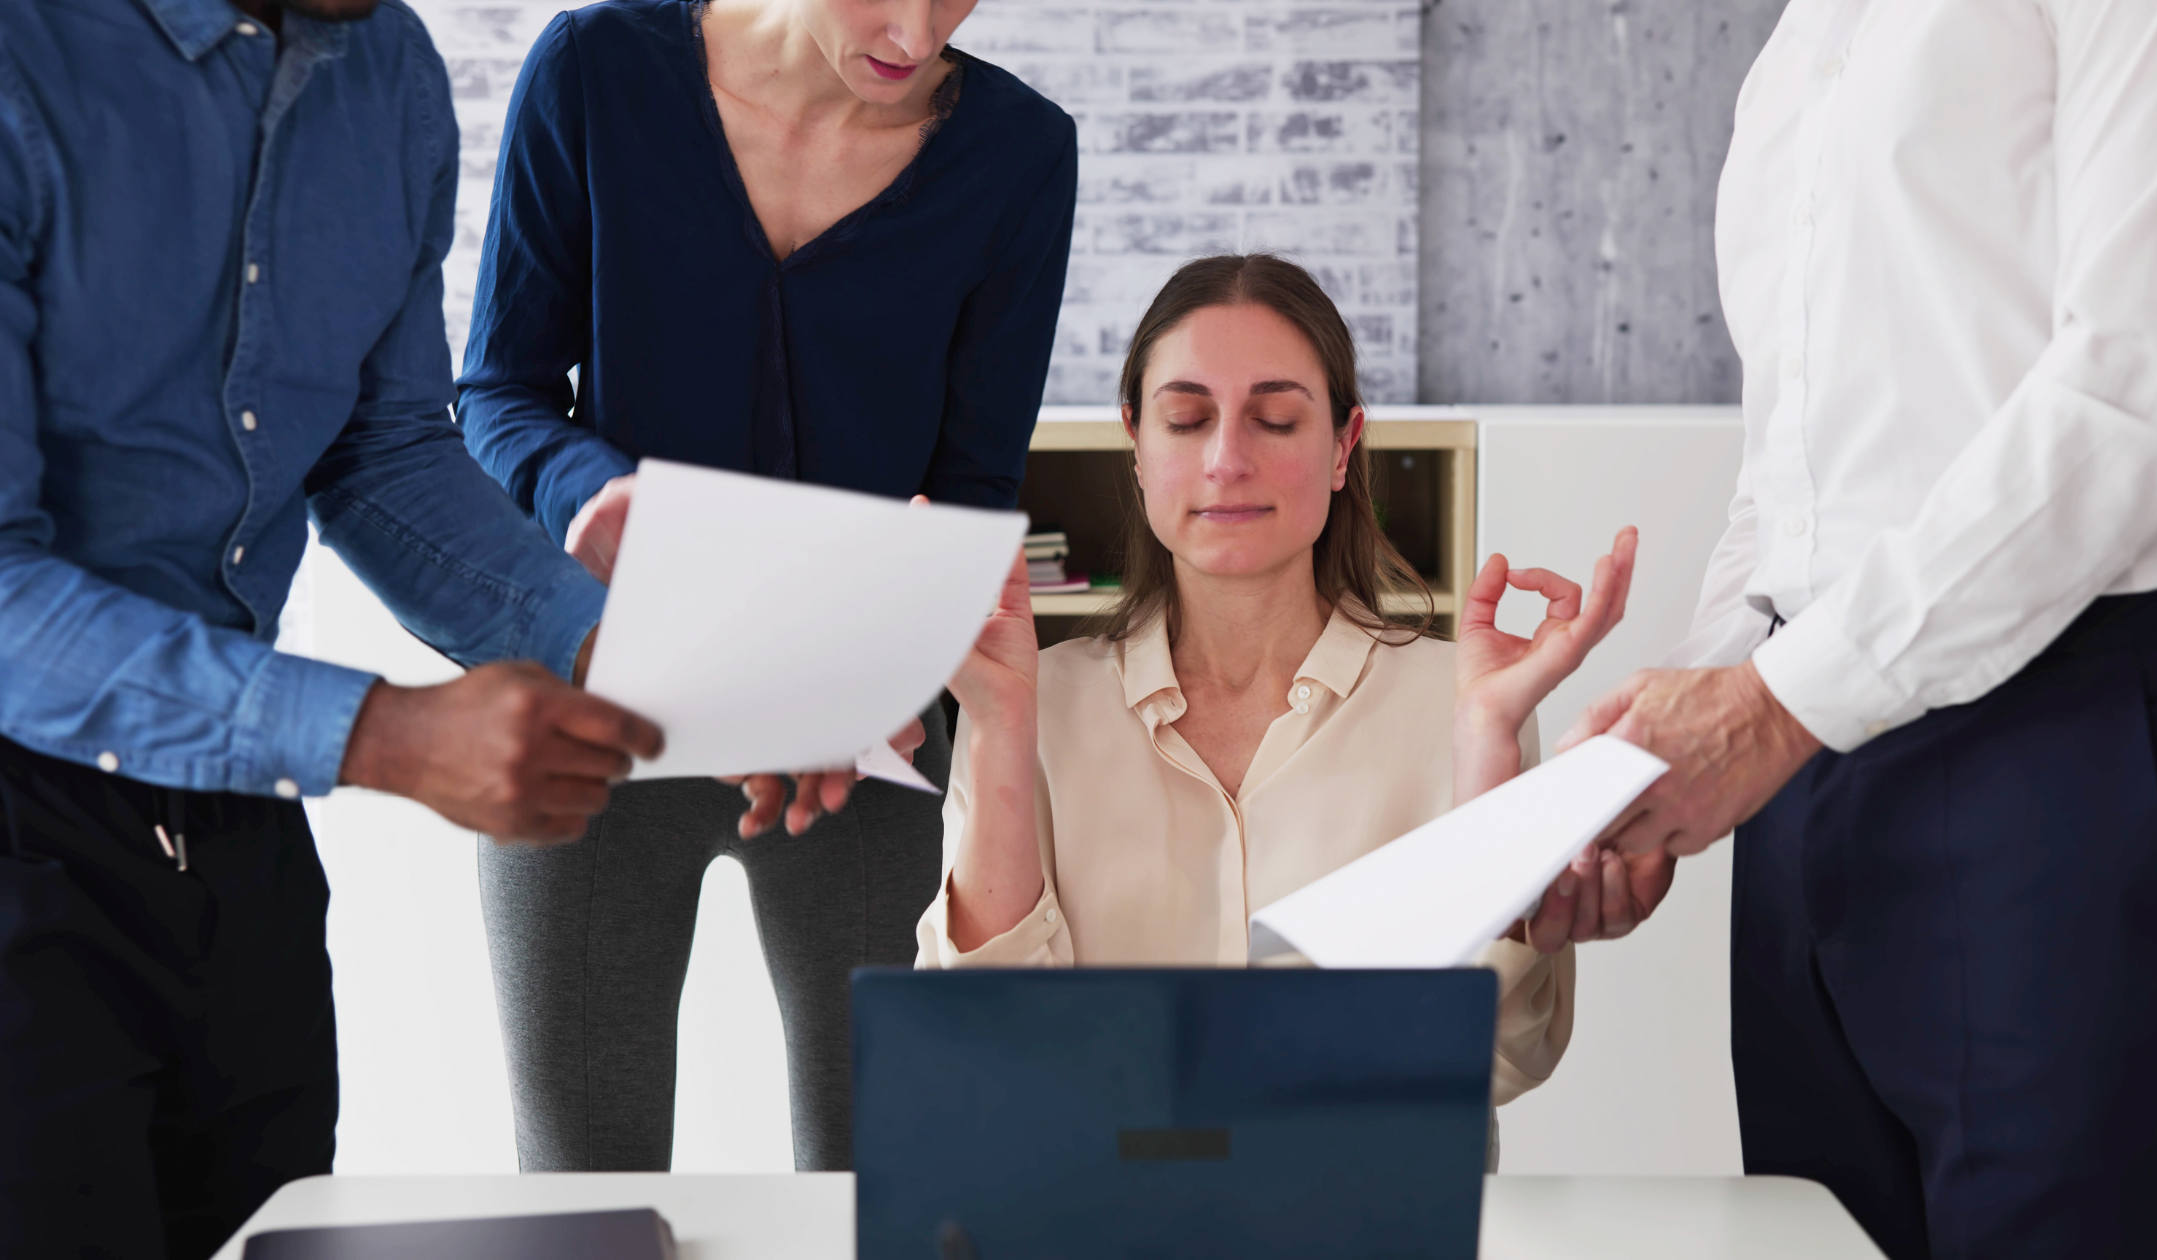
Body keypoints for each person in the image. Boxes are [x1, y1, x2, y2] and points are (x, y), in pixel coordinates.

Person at [1562, 3, 2157, 1257]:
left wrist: (1766, 709)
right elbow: (1793, 474)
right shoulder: (1794, 52)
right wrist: (1674, 740)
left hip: (2069, 745)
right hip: (1808, 768)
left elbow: (2151, 377)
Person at [0, 0, 673, 1254]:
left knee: (266, 1233)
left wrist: (643, 663)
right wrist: (377, 734)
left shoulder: (392, 68)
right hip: (23, 818)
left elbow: (382, 450)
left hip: (238, 827)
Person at [456, 0, 1075, 1172]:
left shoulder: (1020, 153)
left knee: (879, 1171)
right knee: (583, 1174)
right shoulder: (592, 71)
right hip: (599, 700)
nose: (916, 27)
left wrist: (900, 639)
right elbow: (499, 390)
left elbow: (974, 475)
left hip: (863, 734)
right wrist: (590, 495)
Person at [916, 254, 1656, 1165]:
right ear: (1137, 447)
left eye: (1275, 419)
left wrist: (1489, 747)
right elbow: (990, 1052)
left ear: (1344, 447)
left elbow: (1496, 1056)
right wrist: (993, 728)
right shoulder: (1040, 701)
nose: (1228, 459)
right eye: (1187, 420)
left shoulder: (1456, 701)